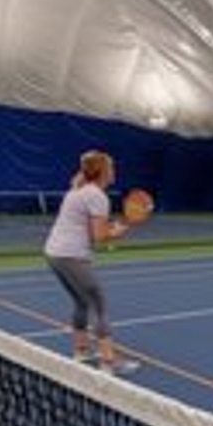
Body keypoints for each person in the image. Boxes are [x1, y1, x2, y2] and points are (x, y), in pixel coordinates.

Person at [43, 150, 139, 375]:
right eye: (111, 167)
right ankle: (108, 362)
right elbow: (99, 237)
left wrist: (110, 229)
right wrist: (118, 232)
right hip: (71, 255)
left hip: (54, 254)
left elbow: (89, 229)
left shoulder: (77, 190)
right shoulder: (97, 196)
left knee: (81, 302)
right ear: (104, 171)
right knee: (99, 304)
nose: (114, 171)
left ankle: (81, 351)